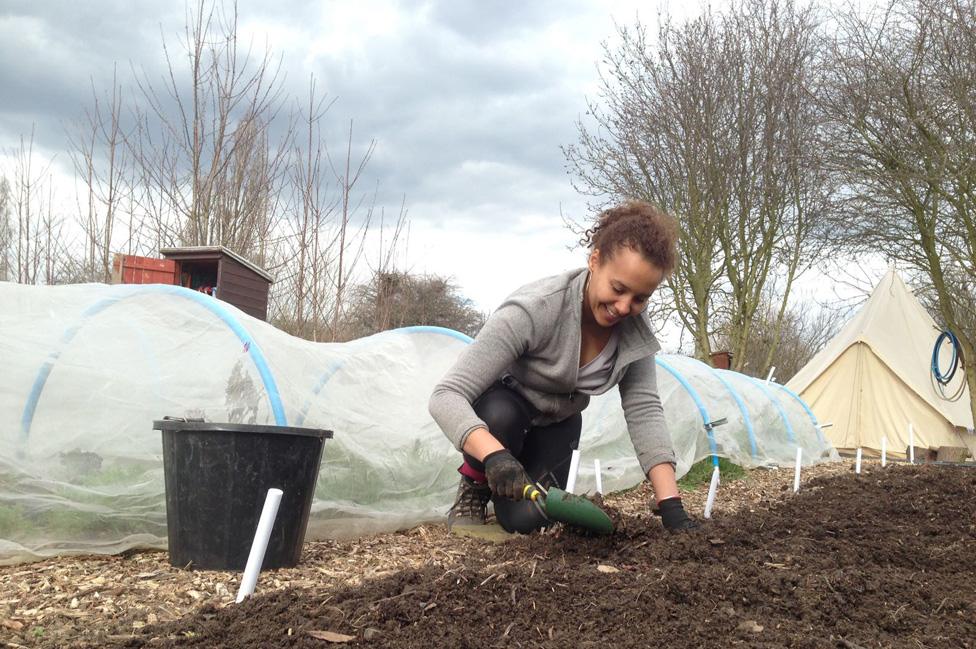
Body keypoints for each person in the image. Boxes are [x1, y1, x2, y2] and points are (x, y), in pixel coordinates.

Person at [428, 200, 699, 535]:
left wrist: (672, 508)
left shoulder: (635, 332)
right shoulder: (535, 310)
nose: (624, 307)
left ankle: (512, 500)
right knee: (500, 414)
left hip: (558, 423)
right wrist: (495, 457)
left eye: (640, 298)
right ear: (595, 260)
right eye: (618, 289)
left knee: (527, 521)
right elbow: (445, 395)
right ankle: (475, 485)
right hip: (504, 414)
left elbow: (644, 408)